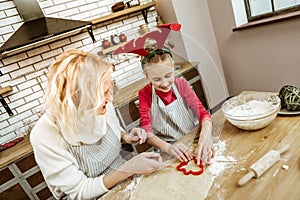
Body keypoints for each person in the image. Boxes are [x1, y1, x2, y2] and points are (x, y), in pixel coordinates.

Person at [30, 49, 167, 200]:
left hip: (125, 179)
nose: (110, 98)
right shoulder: (45, 134)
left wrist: (126, 137)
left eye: (109, 90)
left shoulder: (103, 105)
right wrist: (129, 169)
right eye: (103, 93)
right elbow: (80, 190)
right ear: (79, 97)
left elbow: (109, 129)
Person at [138, 47, 215, 165]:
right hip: (166, 148)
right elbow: (147, 132)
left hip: (191, 138)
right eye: (157, 79)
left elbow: (203, 114)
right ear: (147, 77)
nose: (164, 83)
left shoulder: (181, 84)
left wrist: (205, 137)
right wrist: (168, 148)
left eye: (168, 76)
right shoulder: (144, 94)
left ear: (173, 69)